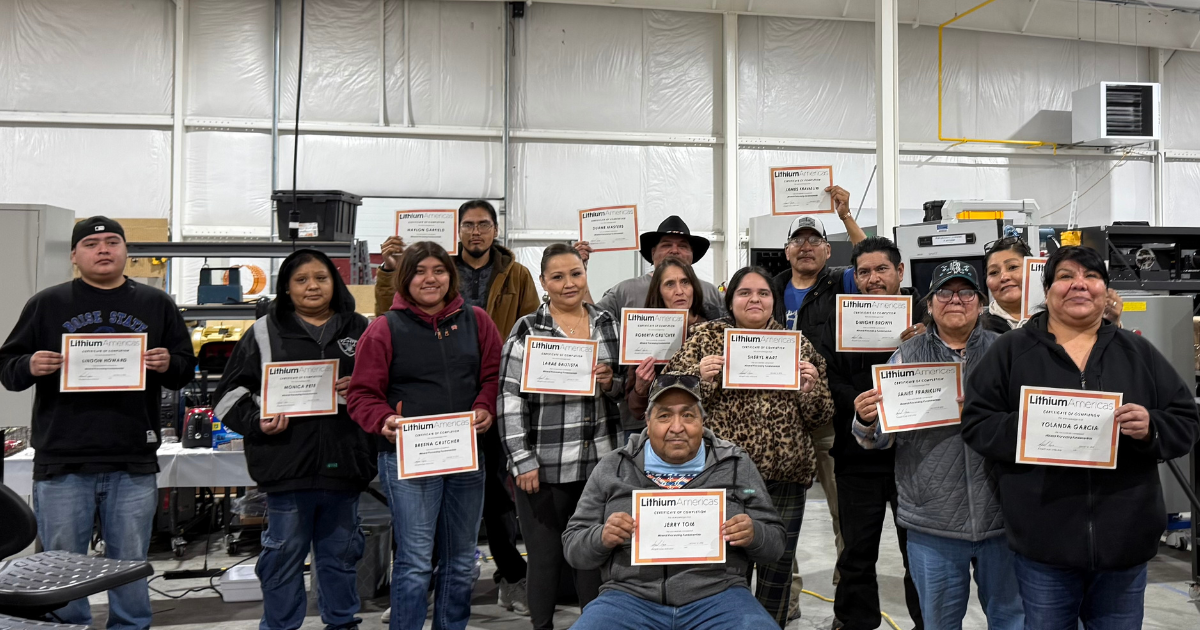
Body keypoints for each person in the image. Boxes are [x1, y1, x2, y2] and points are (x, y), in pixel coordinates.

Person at [962, 246, 1200, 629]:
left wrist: (1151, 427)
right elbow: (976, 422)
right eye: (1065, 277)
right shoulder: (1011, 351)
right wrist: (1029, 428)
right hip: (1044, 545)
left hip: (1125, 543)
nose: (1079, 285)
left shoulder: (1137, 351)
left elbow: (1186, 421)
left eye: (1091, 277)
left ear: (1105, 291)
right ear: (1048, 289)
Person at [0, 216, 196, 630]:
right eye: (91, 244)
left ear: (126, 251)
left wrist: (169, 363)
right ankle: (69, 628)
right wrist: (29, 364)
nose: (103, 249)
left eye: (112, 242)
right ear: (74, 256)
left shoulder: (155, 304)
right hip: (63, 459)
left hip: (133, 456)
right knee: (60, 565)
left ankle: (131, 626)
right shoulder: (47, 304)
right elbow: (7, 369)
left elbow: (184, 369)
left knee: (129, 562)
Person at [373, 200, 539, 615]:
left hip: (477, 431)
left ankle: (509, 579)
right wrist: (390, 270)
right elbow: (365, 387)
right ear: (459, 231)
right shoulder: (390, 323)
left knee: (479, 535)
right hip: (412, 451)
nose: (476, 232)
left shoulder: (499, 293)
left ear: (496, 230)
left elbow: (519, 341)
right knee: (414, 554)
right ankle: (415, 599)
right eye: (469, 225)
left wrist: (488, 401)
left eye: (484, 224)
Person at [850, 260, 1022, 630]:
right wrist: (865, 419)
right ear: (929, 304)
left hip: (1002, 518)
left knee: (1012, 620)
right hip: (933, 522)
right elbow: (877, 439)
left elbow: (1028, 424)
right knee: (940, 623)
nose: (955, 300)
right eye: (944, 292)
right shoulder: (905, 358)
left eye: (965, 293)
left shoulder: (1006, 352)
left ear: (980, 301)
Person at [212, 249, 375, 630]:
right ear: (286, 287)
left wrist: (364, 386)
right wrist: (257, 421)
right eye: (301, 280)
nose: (312, 286)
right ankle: (281, 626)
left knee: (341, 557)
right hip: (286, 467)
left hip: (345, 463)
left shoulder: (362, 329)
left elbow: (388, 386)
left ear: (335, 283)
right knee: (283, 557)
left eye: (321, 277)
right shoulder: (263, 332)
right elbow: (226, 395)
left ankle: (342, 623)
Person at [664, 266, 835, 626]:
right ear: (731, 300)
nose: (754, 299)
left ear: (774, 301)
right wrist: (700, 379)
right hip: (724, 479)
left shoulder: (796, 343)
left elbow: (821, 417)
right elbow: (667, 402)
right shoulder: (705, 339)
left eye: (763, 293)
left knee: (778, 570)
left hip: (785, 478)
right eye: (745, 293)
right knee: (726, 571)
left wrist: (811, 390)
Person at [348, 241, 502, 630]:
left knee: (462, 558)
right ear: (405, 277)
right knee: (415, 561)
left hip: (465, 457)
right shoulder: (384, 328)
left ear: (451, 277)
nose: (430, 278)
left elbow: (494, 377)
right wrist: (382, 420)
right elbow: (361, 395)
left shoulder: (477, 321)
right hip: (407, 460)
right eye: (419, 271)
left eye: (439, 270)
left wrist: (486, 405)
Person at [562, 374, 786, 630]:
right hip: (628, 598)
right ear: (648, 421)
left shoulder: (736, 464)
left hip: (719, 596)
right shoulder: (614, 466)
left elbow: (776, 543)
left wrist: (754, 533)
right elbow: (573, 546)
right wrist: (601, 536)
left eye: (688, 415)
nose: (677, 427)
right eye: (664, 416)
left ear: (702, 421)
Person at [497, 243, 624, 630]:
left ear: (585, 276)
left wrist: (611, 382)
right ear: (543, 282)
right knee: (545, 558)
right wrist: (522, 459)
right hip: (544, 465)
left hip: (599, 464)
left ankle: (592, 624)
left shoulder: (607, 322)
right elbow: (509, 398)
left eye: (576, 274)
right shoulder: (527, 329)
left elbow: (626, 387)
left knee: (590, 555)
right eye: (558, 277)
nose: (569, 284)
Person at [812, 237, 925, 630]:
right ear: (854, 276)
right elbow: (828, 375)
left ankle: (929, 622)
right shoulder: (836, 318)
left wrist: (925, 343)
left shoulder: (925, 317)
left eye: (881, 270)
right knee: (856, 551)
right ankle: (854, 622)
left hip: (915, 458)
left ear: (900, 272)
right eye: (864, 272)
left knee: (920, 555)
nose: (873, 279)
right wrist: (857, 400)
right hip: (856, 455)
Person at [767, 193, 867, 619]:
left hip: (827, 413)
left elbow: (868, 257)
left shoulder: (841, 281)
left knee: (842, 511)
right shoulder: (767, 288)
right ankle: (783, 597)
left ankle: (847, 599)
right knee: (775, 515)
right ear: (787, 249)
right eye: (798, 240)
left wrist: (845, 216)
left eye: (815, 240)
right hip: (776, 416)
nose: (805, 246)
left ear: (827, 250)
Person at [576, 215, 725, 320]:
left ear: (692, 255)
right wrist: (578, 270)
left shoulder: (710, 292)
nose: (674, 250)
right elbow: (592, 320)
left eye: (682, 246)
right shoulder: (624, 291)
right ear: (653, 253)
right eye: (667, 245)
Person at [624, 257, 709, 432]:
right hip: (664, 435)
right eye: (670, 284)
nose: (680, 291)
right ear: (659, 291)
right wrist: (640, 388)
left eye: (685, 282)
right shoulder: (643, 332)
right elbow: (636, 411)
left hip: (709, 435)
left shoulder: (714, 327)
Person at [982, 236, 1124, 333]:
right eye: (993, 272)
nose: (1004, 277)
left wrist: (1110, 324)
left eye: (1012, 267)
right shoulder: (979, 329)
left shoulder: (1064, 318)